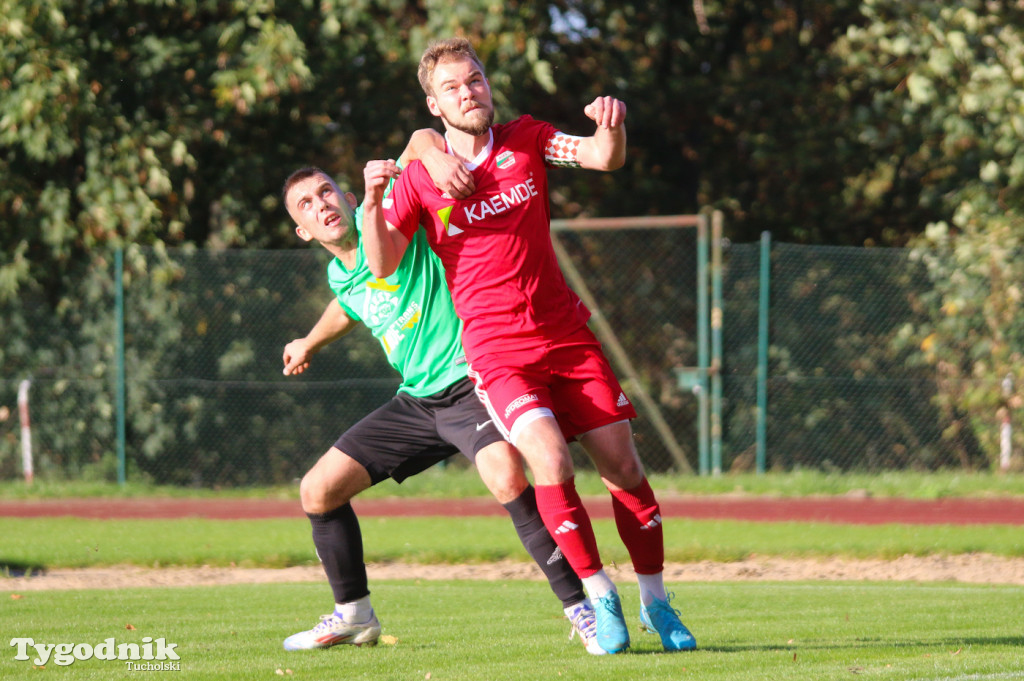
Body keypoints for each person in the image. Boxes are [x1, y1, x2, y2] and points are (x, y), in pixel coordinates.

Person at [360, 38, 697, 654]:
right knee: (550, 461)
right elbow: (381, 263)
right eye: (454, 88)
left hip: (567, 337)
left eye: (477, 80)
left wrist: (610, 127)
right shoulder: (418, 177)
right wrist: (376, 197)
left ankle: (657, 603)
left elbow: (601, 158)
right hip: (498, 351)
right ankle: (599, 596)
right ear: (435, 104)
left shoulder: (526, 138)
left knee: (623, 467)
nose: (470, 93)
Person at [278, 150, 605, 655]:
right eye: (305, 204)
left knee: (509, 479)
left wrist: (427, 148)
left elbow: (417, 143)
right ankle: (354, 616)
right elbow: (347, 304)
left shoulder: (393, 230)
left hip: (472, 383)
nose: (320, 205)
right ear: (303, 231)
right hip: (419, 400)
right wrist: (308, 342)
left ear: (346, 197)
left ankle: (581, 609)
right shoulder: (340, 275)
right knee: (318, 492)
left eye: (325, 192)